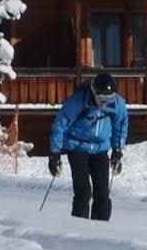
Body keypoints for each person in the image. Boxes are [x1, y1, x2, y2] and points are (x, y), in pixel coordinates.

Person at [48, 72, 129, 221]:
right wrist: (55, 154)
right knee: (84, 192)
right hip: (77, 148)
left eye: (109, 99)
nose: (104, 103)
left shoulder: (118, 104)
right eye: (101, 99)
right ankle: (79, 229)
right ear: (93, 93)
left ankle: (100, 231)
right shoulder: (77, 102)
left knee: (103, 195)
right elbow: (59, 126)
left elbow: (120, 127)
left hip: (100, 149)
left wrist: (117, 151)